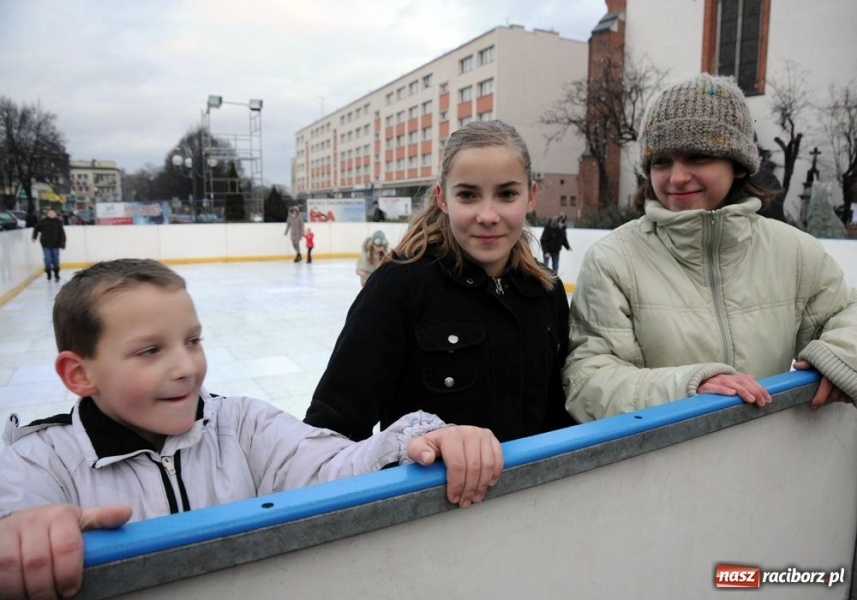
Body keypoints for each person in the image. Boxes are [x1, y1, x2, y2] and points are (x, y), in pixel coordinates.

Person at [0, 259, 503, 599]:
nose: (186, 368)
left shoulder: (241, 425)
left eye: (192, 341)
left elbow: (331, 465)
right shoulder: (38, 461)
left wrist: (415, 440)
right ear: (79, 373)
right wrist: (22, 533)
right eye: (150, 350)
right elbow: (16, 512)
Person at [563, 73, 857, 423]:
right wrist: (685, 389)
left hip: (773, 452)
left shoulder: (794, 251)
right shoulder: (613, 260)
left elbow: (846, 312)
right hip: (665, 456)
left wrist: (842, 356)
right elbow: (587, 379)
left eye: (698, 156)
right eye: (661, 161)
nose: (676, 177)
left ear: (738, 165)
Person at [305, 120, 574, 442]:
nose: (488, 216)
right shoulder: (398, 287)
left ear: (530, 196)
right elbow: (332, 430)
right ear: (442, 197)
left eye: (507, 194)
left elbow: (559, 417)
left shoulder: (547, 291)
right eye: (468, 195)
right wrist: (409, 450)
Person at [32, 208, 66, 282]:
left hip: (55, 244)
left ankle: (56, 274)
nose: (51, 214)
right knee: (48, 259)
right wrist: (34, 236)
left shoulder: (58, 222)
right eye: (50, 213)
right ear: (47, 214)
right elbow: (36, 228)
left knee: (55, 260)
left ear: (55, 214)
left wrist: (63, 244)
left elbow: (62, 234)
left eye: (53, 213)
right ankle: (48, 272)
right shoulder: (43, 222)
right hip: (46, 244)